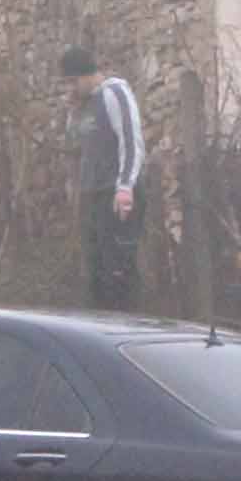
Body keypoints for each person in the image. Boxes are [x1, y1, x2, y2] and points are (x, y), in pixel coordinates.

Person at [69, 46, 148, 314]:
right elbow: (78, 147)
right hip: (92, 196)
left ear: (86, 75)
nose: (71, 88)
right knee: (96, 275)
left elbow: (131, 140)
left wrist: (125, 187)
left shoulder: (114, 93)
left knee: (119, 271)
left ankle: (130, 325)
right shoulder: (83, 105)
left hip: (115, 196)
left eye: (73, 81)